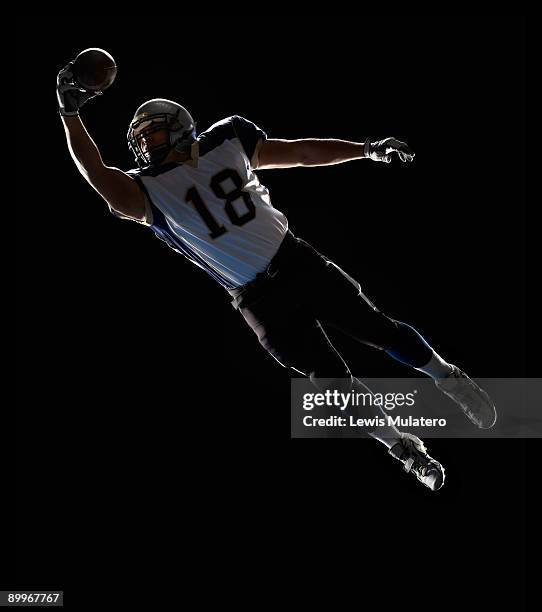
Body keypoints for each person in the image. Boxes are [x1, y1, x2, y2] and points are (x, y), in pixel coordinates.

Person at [57, 59, 497, 491]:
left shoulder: (227, 139)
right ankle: (403, 448)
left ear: (177, 126)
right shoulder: (145, 190)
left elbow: (302, 152)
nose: (144, 145)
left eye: (150, 132)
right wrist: (71, 113)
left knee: (377, 329)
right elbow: (98, 174)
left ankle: (446, 376)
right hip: (255, 298)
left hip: (294, 261)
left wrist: (366, 149)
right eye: (140, 138)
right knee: (330, 383)